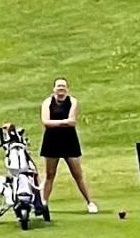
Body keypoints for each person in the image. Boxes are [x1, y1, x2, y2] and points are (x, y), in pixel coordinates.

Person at [39, 78, 98, 213]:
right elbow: (46, 122)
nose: (61, 89)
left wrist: (57, 123)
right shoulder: (47, 102)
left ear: (67, 88)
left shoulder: (73, 102)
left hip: (69, 141)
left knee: (78, 174)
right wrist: (63, 122)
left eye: (63, 87)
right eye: (59, 87)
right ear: (54, 88)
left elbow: (72, 121)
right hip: (52, 141)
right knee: (49, 174)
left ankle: (90, 202)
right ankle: (43, 203)